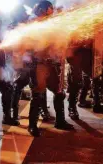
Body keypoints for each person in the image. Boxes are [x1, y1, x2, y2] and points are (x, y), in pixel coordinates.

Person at [27, 0, 74, 137]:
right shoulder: (33, 23)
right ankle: (32, 125)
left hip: (52, 64)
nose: (52, 10)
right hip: (39, 64)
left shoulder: (51, 23)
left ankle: (60, 121)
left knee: (59, 93)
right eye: (50, 8)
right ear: (43, 9)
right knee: (37, 95)